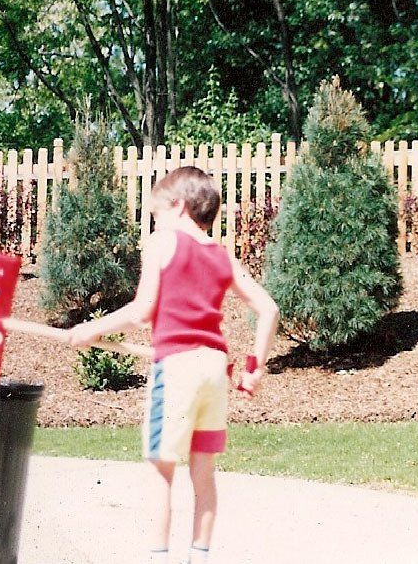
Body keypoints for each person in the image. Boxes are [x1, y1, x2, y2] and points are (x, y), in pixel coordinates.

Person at [68, 166, 279, 564]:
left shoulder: (162, 242)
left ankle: (158, 558)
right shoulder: (221, 255)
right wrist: (254, 368)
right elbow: (268, 308)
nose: (155, 221)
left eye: (157, 212)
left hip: (177, 367)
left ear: (178, 207)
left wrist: (91, 328)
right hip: (214, 368)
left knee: (160, 470)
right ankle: (198, 557)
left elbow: (144, 308)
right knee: (203, 473)